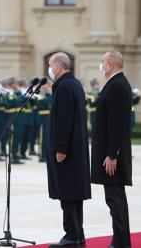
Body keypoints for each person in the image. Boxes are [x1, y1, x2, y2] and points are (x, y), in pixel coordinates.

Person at [46, 52, 91, 247]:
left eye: (50, 65)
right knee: (72, 194)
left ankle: (72, 236)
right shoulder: (74, 84)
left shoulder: (64, 86)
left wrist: (61, 148)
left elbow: (64, 120)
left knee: (67, 194)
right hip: (75, 149)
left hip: (67, 151)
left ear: (57, 67)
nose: (48, 69)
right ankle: (77, 235)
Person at [91, 51, 133, 248]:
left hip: (112, 155)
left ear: (110, 64)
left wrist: (111, 155)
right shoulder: (117, 83)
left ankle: (121, 243)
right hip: (111, 152)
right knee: (115, 200)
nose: (101, 65)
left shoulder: (116, 85)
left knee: (115, 200)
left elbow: (116, 124)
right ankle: (120, 240)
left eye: (102, 61)